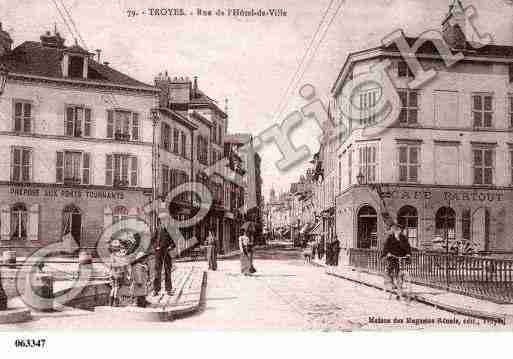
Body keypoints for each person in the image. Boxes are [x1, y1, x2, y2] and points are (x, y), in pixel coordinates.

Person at [380, 223, 412, 300]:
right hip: (392, 257)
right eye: (397, 229)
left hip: (400, 257)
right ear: (394, 230)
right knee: (389, 271)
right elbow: (386, 247)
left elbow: (408, 247)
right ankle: (390, 283)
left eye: (400, 230)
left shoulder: (403, 238)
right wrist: (385, 254)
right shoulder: (390, 238)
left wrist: (408, 254)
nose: (398, 231)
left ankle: (399, 292)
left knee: (399, 274)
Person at [153, 214, 176, 297]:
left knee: (168, 271)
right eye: (162, 220)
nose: (164, 221)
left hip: (167, 252)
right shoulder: (157, 229)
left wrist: (171, 247)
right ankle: (156, 290)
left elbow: (174, 242)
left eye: (165, 220)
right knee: (157, 271)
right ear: (160, 221)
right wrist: (156, 247)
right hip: (158, 253)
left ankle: (168, 289)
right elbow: (153, 240)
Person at [108, 240, 129, 307]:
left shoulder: (112, 255)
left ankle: (110, 303)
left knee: (113, 287)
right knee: (117, 288)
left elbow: (110, 265)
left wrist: (110, 273)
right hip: (119, 273)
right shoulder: (122, 256)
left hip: (112, 273)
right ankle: (116, 303)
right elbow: (125, 266)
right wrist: (127, 274)